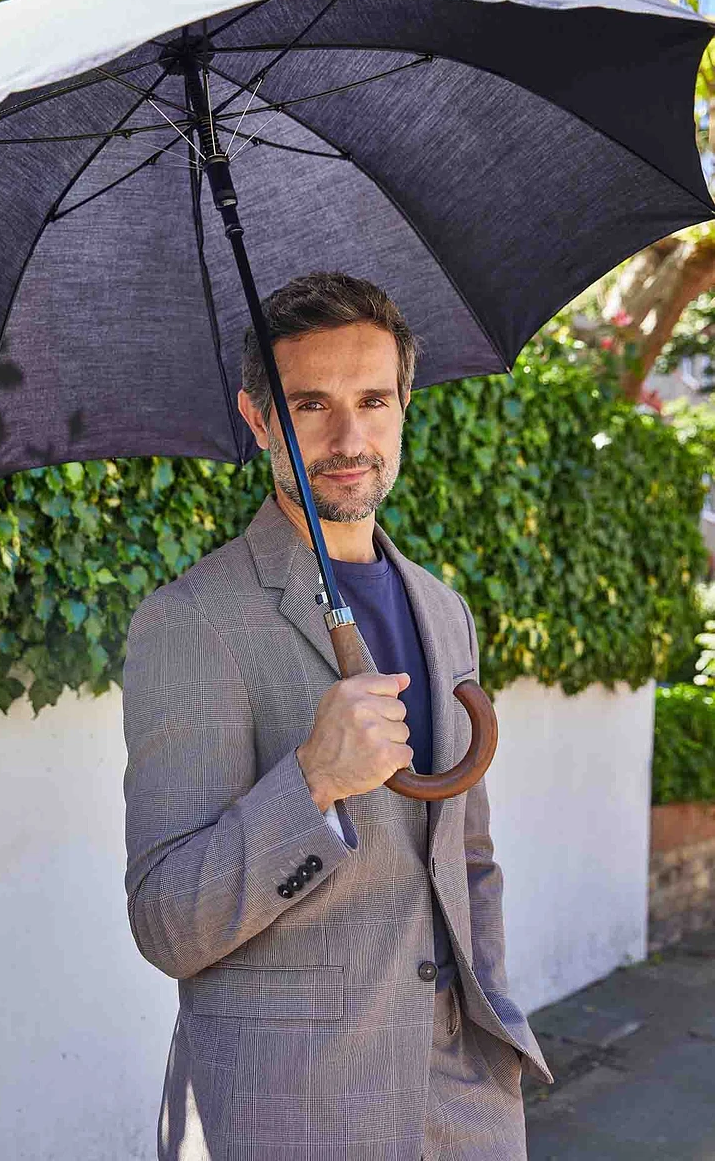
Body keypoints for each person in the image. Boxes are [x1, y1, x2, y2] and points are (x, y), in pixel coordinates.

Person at [122, 271, 552, 1161]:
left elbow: (468, 857)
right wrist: (312, 781)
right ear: (258, 418)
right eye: (310, 404)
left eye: (373, 401)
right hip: (291, 1112)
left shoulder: (444, 611)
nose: (349, 439)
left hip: (465, 1100)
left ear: (404, 407)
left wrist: (492, 1013)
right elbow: (167, 922)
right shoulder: (193, 620)